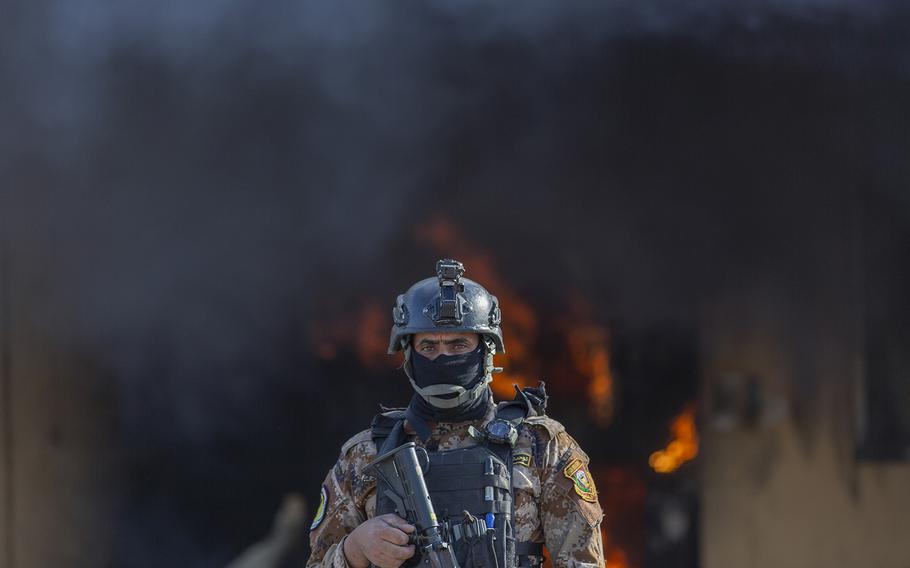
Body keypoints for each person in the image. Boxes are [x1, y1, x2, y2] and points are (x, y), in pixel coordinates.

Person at [306, 259, 604, 568]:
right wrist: (354, 549)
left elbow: (584, 563)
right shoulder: (364, 456)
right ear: (409, 354)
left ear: (485, 351)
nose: (443, 357)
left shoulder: (542, 445)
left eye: (458, 344)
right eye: (429, 346)